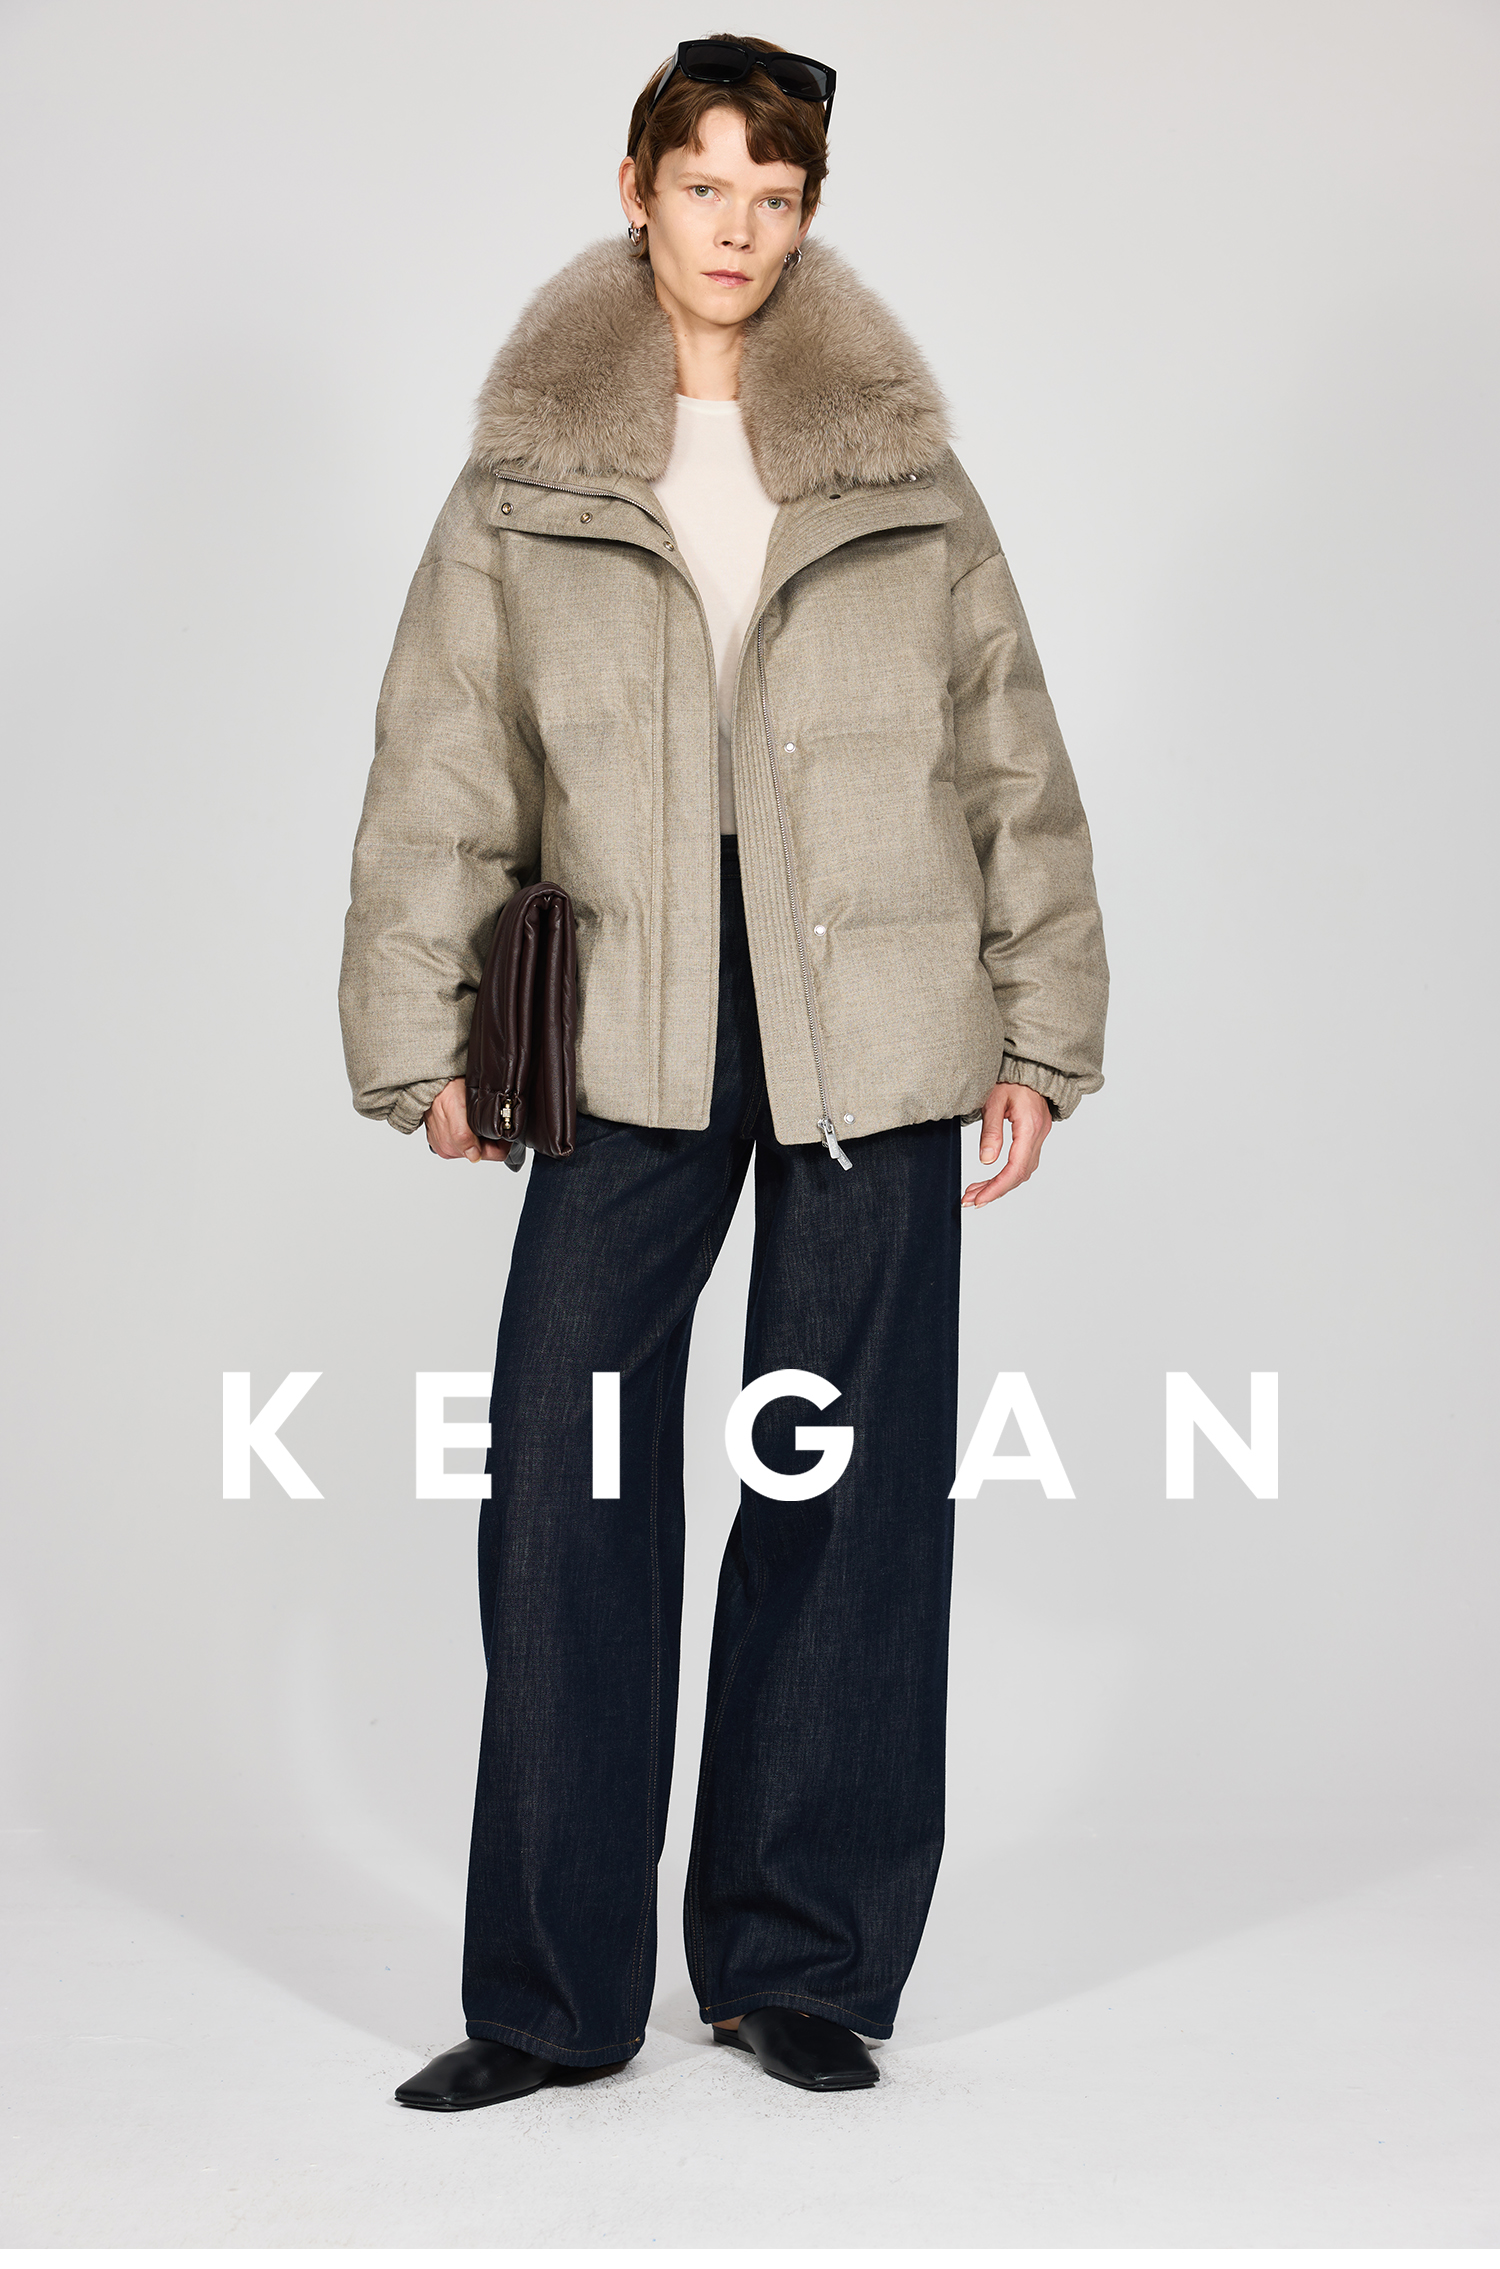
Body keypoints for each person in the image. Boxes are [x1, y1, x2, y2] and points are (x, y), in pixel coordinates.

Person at [339, 33, 1108, 2111]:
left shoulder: (898, 462)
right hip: (625, 1008)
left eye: (776, 197)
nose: (739, 231)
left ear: (806, 211)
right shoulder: (532, 468)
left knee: (844, 1483)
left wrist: (1043, 1025)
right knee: (566, 1476)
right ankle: (549, 1997)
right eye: (706, 189)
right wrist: (417, 1037)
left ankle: (797, 1963)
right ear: (638, 189)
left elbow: (1008, 748)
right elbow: (445, 757)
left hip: (882, 1008)